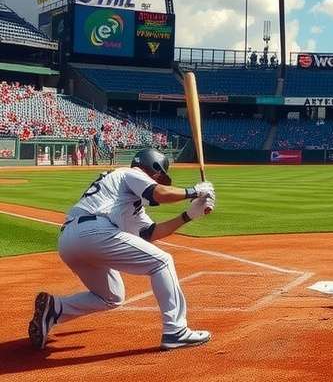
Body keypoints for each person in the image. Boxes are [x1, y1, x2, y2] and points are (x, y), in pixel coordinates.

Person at [27, 148, 216, 351]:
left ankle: (55, 308)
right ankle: (176, 331)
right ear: (152, 168)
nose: (159, 181)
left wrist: (188, 215)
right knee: (162, 262)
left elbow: (150, 233)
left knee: (111, 297)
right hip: (94, 231)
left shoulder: (127, 201)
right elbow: (158, 193)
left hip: (69, 241)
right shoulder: (130, 173)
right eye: (159, 176)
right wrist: (194, 191)